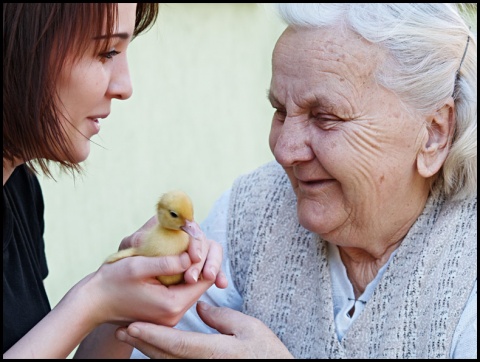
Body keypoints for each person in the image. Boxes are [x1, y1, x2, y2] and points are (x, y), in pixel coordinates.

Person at [116, 3, 477, 359]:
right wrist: (121, 302)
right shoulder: (252, 212)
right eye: (280, 111)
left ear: (433, 134)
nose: (285, 151)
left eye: (325, 117)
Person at [3, 3, 227, 359]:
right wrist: (92, 299)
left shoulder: (19, 189)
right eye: (106, 51)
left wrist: (123, 302)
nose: (124, 86)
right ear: (20, 45)